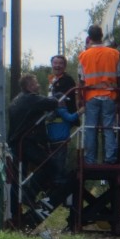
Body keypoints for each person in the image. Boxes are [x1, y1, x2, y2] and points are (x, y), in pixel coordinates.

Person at [7, 74, 63, 223]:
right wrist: (58, 97)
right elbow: (50, 103)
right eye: (36, 83)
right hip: (26, 142)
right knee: (50, 165)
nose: (38, 85)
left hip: (16, 143)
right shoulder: (30, 99)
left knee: (17, 178)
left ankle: (15, 213)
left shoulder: (16, 100)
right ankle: (30, 193)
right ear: (30, 86)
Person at [78, 24, 120, 164]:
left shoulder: (84, 56)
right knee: (108, 128)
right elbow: (119, 75)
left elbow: (82, 79)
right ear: (102, 36)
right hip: (110, 95)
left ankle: (90, 159)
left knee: (90, 128)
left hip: (91, 96)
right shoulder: (114, 53)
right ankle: (110, 158)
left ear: (90, 37)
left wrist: (80, 98)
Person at [47, 53, 78, 185]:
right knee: (55, 148)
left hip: (62, 118)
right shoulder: (52, 80)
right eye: (55, 63)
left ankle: (58, 176)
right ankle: (55, 175)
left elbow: (62, 99)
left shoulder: (67, 80)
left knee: (60, 148)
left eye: (60, 63)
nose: (57, 66)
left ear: (64, 66)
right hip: (54, 120)